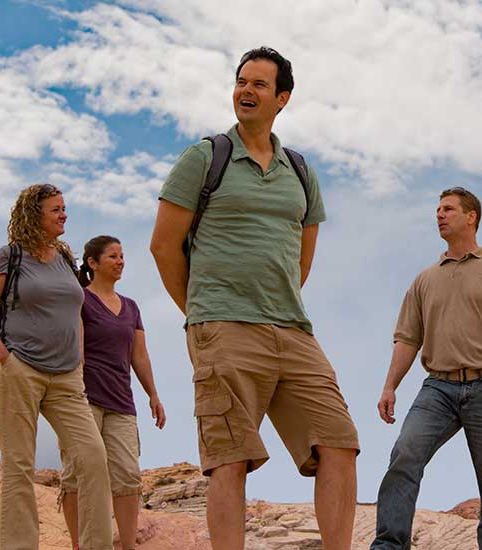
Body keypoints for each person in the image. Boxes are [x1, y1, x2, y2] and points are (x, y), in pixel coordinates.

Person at [148, 46, 360, 550]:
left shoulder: (301, 171)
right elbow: (163, 247)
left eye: (259, 84)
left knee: (339, 442)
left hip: (292, 330)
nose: (246, 90)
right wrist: (203, 311)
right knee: (230, 457)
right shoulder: (205, 157)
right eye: (242, 81)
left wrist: (274, 304)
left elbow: (301, 259)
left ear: (281, 99)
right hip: (222, 326)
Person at [371, 187, 482, 550]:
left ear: (471, 217)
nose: (439, 215)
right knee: (404, 456)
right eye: (437, 209)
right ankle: (388, 545)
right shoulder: (424, 280)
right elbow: (407, 340)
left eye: (448, 209)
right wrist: (390, 387)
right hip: (438, 389)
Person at [0, 183, 115, 550]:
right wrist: (7, 359)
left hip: (67, 377)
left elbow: (77, 315)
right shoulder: (10, 256)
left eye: (64, 208)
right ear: (34, 214)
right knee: (20, 468)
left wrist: (80, 362)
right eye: (56, 209)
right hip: (20, 371)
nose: (63, 214)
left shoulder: (66, 258)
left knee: (93, 458)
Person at [60, 235, 166, 550]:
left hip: (122, 404)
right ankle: (80, 544)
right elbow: (74, 349)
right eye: (113, 256)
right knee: (77, 474)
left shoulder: (131, 307)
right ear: (93, 263)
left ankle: (128, 545)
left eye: (122, 256)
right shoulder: (79, 299)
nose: (120, 261)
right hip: (84, 401)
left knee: (128, 476)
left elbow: (139, 356)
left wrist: (153, 395)